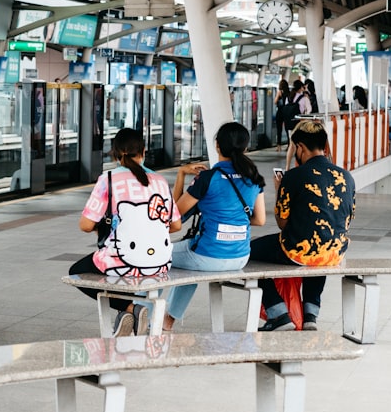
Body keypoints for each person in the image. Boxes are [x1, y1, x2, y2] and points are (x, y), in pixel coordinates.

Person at [70, 127, 180, 336]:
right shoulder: (160, 181)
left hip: (123, 262)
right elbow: (175, 225)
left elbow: (85, 225)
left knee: (77, 272)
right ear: (144, 151)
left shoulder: (109, 179)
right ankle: (129, 317)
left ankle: (131, 309)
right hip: (160, 264)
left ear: (115, 153)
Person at [251, 120, 355, 331]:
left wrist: (281, 190)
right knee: (321, 246)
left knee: (247, 250)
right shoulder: (346, 176)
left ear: (300, 147)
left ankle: (278, 312)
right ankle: (310, 315)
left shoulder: (293, 177)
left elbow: (282, 223)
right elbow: (347, 217)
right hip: (336, 252)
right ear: (324, 146)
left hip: (297, 251)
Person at [161, 122, 266, 331]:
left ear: (217, 146)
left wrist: (181, 174)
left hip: (209, 256)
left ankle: (138, 310)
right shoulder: (254, 178)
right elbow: (259, 220)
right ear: (245, 148)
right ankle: (167, 320)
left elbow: (174, 214)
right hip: (240, 257)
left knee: (157, 256)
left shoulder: (208, 178)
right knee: (189, 261)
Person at [283, 80, 312, 171]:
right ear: (301, 88)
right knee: (302, 146)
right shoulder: (304, 98)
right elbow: (309, 110)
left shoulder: (289, 97)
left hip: (290, 124)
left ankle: (287, 167)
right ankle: (301, 166)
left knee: (292, 146)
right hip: (300, 124)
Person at [273, 79, 291, 149]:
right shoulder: (289, 93)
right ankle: (289, 145)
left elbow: (275, 102)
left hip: (280, 112)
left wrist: (278, 95)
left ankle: (279, 146)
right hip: (287, 112)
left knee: (279, 129)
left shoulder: (279, 92)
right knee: (287, 130)